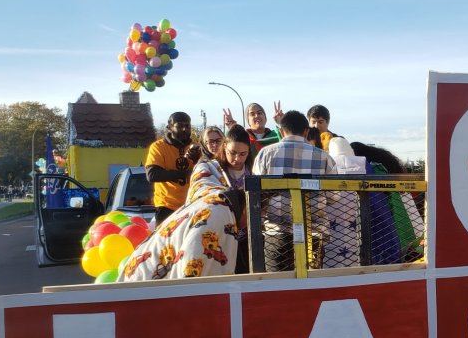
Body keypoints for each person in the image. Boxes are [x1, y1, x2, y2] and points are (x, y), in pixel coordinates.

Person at [119, 151, 240, 282]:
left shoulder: (211, 200)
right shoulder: (217, 214)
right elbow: (192, 270)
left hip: (144, 278)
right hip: (140, 285)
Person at [252, 110, 337, 271]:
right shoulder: (324, 157)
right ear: (306, 131)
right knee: (311, 287)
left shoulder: (265, 154)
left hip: (276, 233)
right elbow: (334, 197)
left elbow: (256, 194)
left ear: (282, 131)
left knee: (278, 286)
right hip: (313, 234)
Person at [145, 112, 202, 224]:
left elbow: (206, 173)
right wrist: (185, 174)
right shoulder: (158, 147)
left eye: (188, 126)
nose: (185, 129)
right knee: (166, 241)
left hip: (193, 205)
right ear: (169, 128)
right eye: (180, 126)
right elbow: (152, 175)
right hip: (166, 207)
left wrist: (197, 160)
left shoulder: (196, 148)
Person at [214, 125, 254, 273]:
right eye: (233, 153)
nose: (237, 159)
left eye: (243, 154)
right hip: (219, 236)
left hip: (245, 237)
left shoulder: (252, 171)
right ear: (224, 147)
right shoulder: (214, 170)